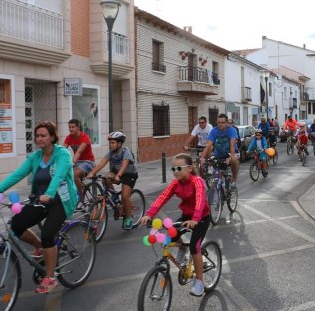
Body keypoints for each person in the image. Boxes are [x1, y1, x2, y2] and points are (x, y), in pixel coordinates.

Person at [0, 121, 78, 294]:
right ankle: (41, 247)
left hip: (61, 200)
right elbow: (17, 175)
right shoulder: (35, 157)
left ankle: (50, 278)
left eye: (43, 135)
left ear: (52, 137)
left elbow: (58, 177)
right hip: (41, 200)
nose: (39, 139)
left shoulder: (63, 154)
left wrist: (49, 193)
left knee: (48, 234)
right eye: (37, 136)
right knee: (17, 224)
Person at [140, 153, 210, 297]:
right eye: (173, 169)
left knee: (194, 247)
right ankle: (181, 249)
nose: (176, 171)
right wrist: (149, 214)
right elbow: (162, 198)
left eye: (179, 168)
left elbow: (200, 201)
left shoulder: (197, 181)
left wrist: (195, 219)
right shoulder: (175, 184)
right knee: (172, 235)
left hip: (201, 217)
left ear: (190, 168)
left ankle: (199, 282)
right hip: (186, 216)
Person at [87, 131, 138, 230]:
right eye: (110, 143)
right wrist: (92, 173)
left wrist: (118, 176)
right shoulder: (111, 153)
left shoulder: (125, 151)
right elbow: (101, 163)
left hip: (129, 174)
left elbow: (124, 165)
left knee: (124, 196)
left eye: (113, 142)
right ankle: (114, 196)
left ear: (120, 143)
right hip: (117, 172)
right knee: (105, 179)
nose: (111, 145)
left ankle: (128, 218)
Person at [200, 114, 239, 189]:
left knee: (234, 160)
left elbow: (232, 145)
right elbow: (208, 145)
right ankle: (221, 185)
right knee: (218, 172)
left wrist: (231, 157)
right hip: (219, 153)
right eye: (218, 122)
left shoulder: (232, 130)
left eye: (222, 122)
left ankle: (234, 181)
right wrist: (202, 158)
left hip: (231, 152)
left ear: (227, 123)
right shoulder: (214, 131)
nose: (220, 124)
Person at [63, 119, 95, 198]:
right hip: (78, 163)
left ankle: (81, 197)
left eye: (73, 127)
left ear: (78, 127)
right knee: (64, 175)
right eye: (69, 127)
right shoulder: (69, 137)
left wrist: (72, 162)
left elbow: (79, 152)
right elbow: (63, 150)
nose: (70, 129)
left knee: (74, 174)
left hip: (88, 162)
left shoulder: (84, 137)